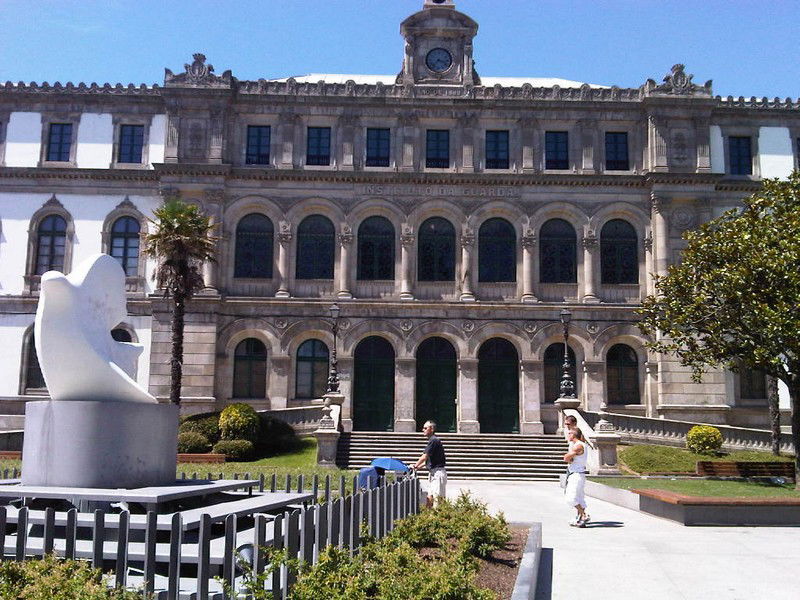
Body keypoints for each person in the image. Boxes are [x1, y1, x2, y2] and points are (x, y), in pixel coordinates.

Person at [411, 420, 447, 508]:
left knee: (438, 499)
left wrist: (415, 465)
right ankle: (428, 517)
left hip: (438, 473)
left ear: (431, 429)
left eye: (425, 428)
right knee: (429, 497)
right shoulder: (432, 440)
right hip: (432, 473)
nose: (423, 430)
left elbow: (425, 456)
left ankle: (438, 518)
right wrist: (419, 467)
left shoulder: (434, 440)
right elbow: (430, 459)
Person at [563, 427, 590, 527]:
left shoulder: (578, 446)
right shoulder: (579, 445)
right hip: (578, 474)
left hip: (576, 475)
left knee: (570, 498)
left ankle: (584, 515)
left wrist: (569, 458)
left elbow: (566, 458)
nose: (568, 435)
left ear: (573, 435)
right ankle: (580, 519)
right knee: (579, 498)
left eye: (569, 433)